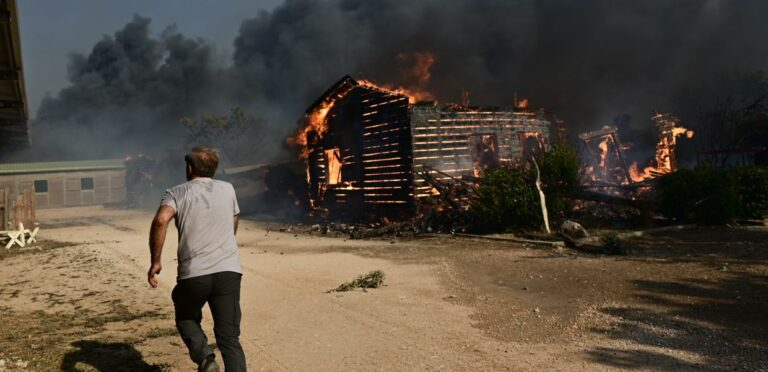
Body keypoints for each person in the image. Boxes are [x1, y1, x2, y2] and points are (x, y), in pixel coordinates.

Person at [147, 146, 246, 372]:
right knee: (229, 337)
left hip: (194, 273)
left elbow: (161, 220)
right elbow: (235, 217)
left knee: (186, 317)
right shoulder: (228, 188)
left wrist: (156, 261)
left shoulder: (176, 192)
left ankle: (205, 359)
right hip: (229, 271)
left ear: (189, 168)